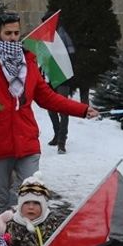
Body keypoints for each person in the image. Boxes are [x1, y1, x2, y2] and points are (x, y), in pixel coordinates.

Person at [0, 13, 100, 211]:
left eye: (16, 33)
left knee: (32, 200)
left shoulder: (28, 62)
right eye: (8, 33)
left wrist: (82, 109)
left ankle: (33, 239)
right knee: (0, 204)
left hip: (26, 141)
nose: (13, 37)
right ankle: (5, 240)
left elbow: (48, 97)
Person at [41, 12, 76, 155]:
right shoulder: (44, 36)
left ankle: (62, 142)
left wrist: (58, 57)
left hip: (62, 77)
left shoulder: (61, 34)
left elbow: (71, 52)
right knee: (51, 107)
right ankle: (57, 134)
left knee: (63, 109)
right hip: (49, 76)